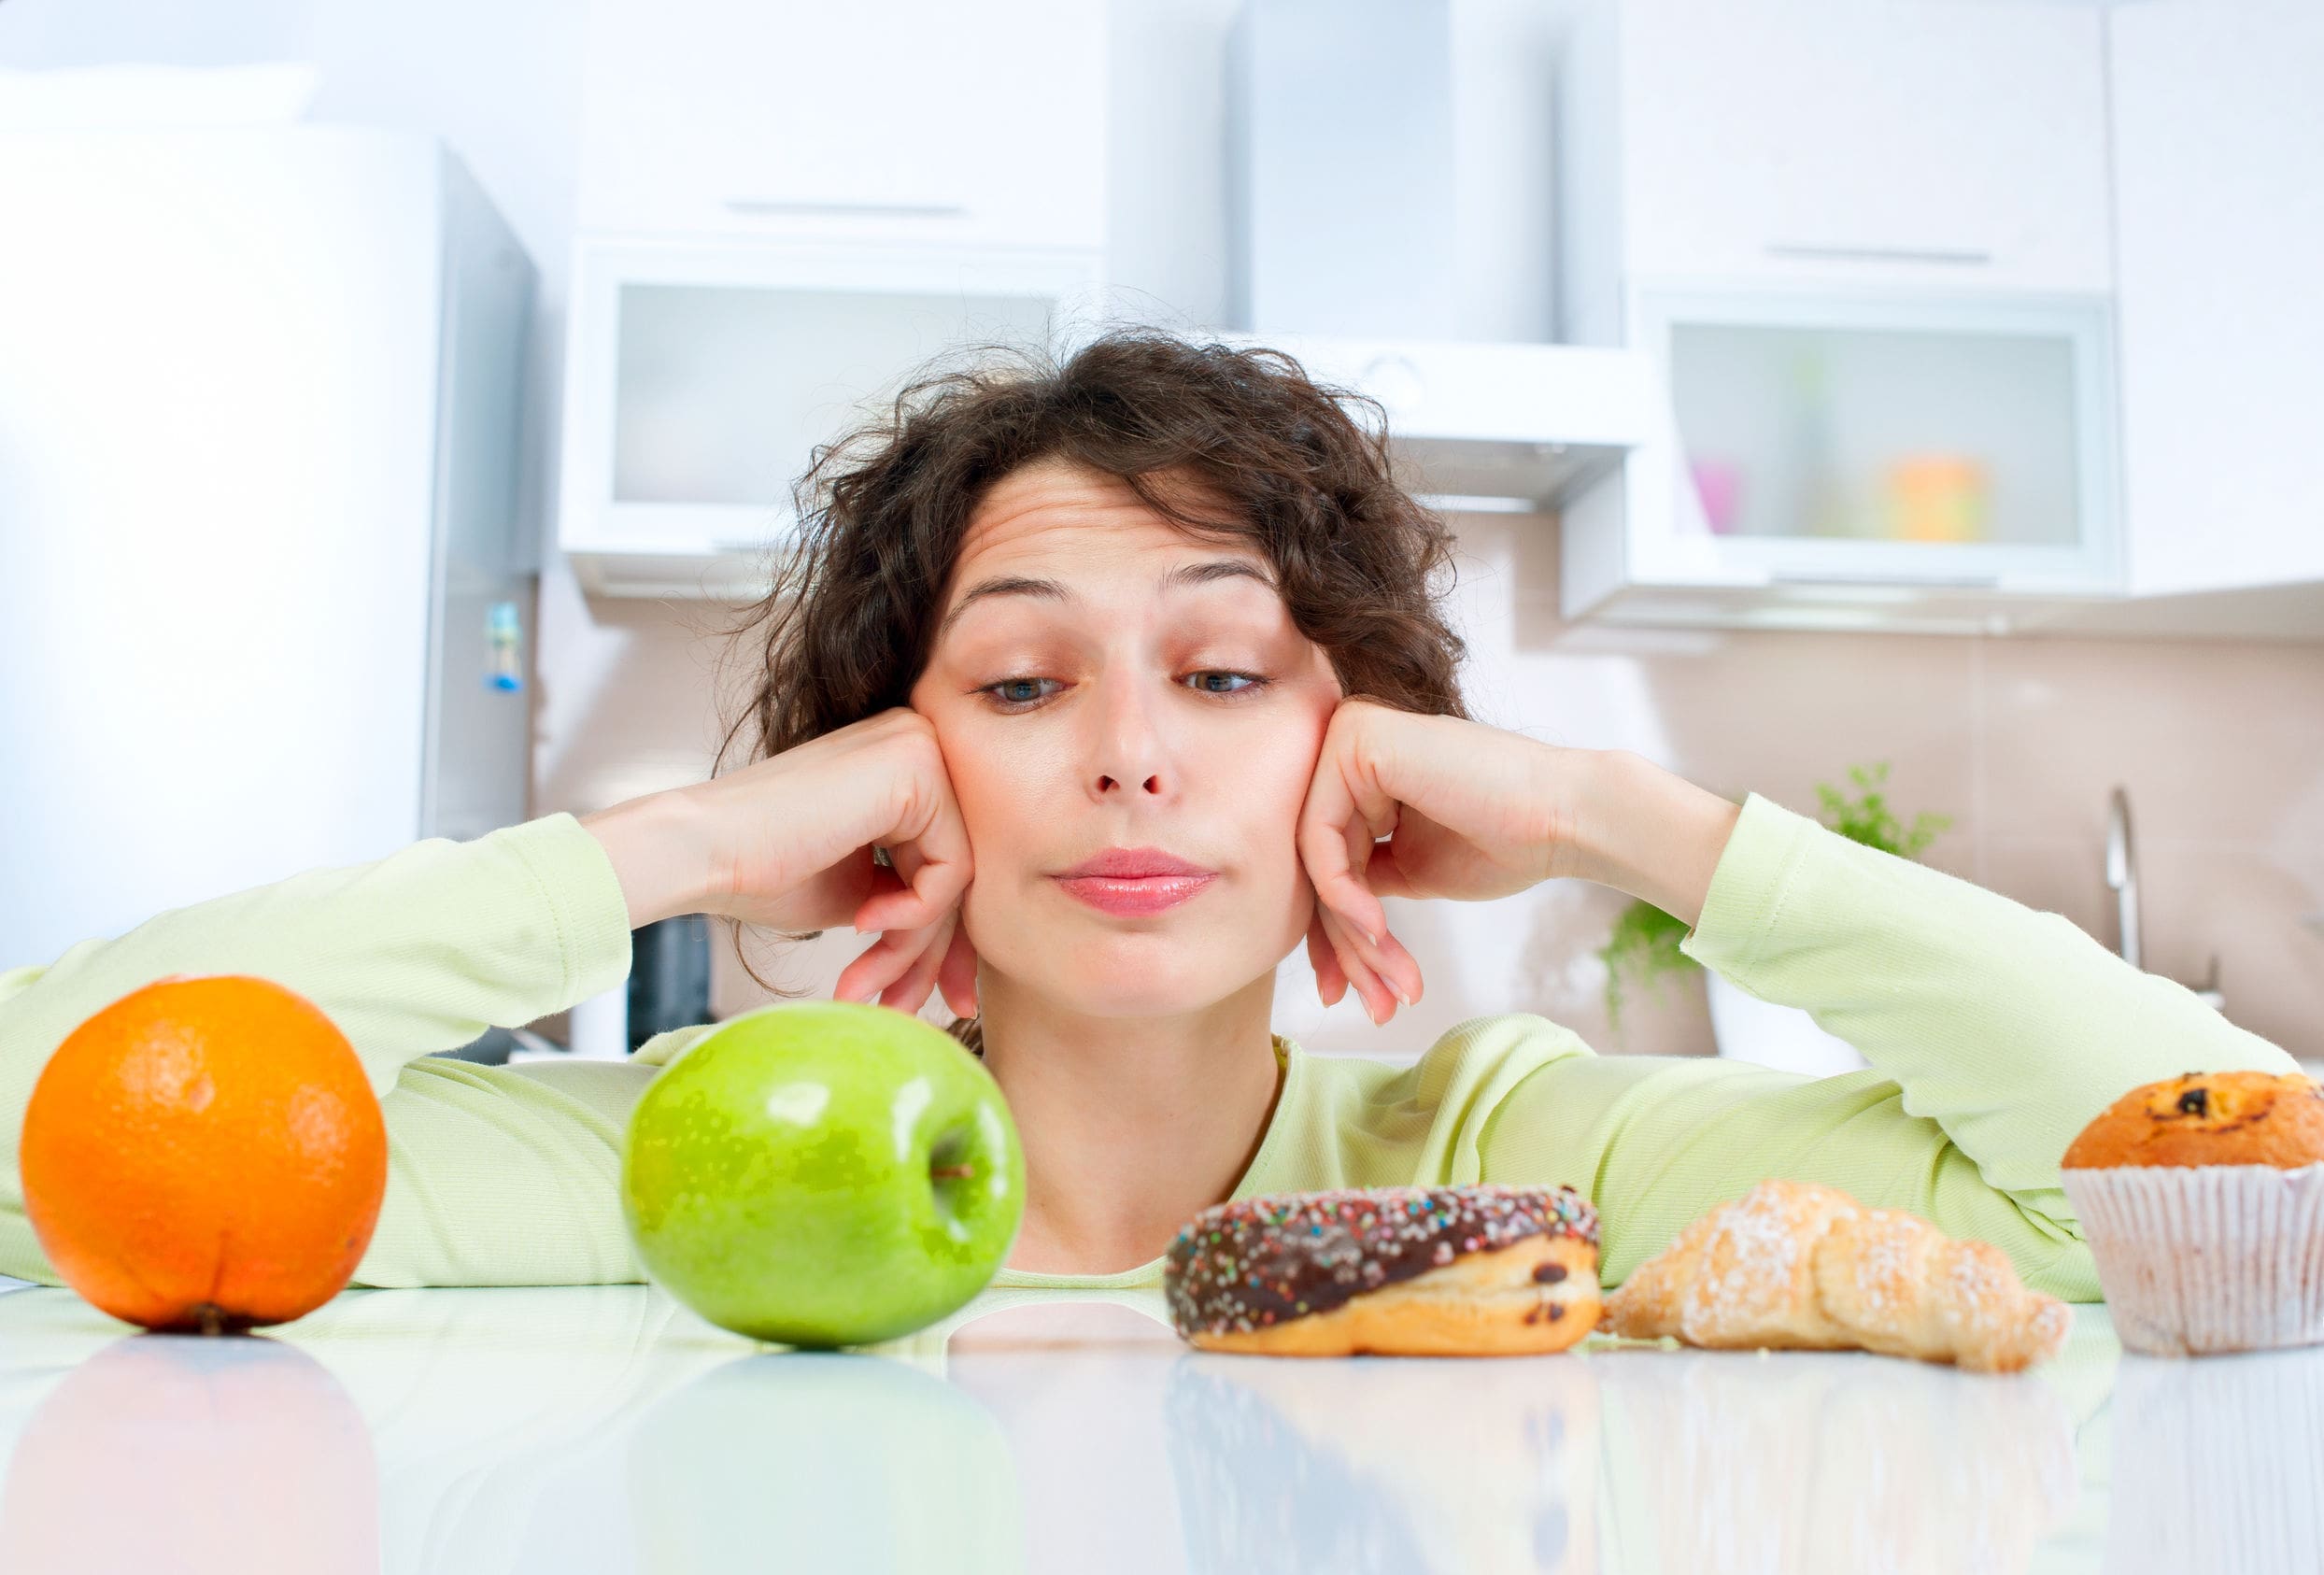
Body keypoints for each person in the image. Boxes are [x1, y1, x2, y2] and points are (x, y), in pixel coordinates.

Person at [0, 333, 2298, 1298]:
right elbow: (51, 1150)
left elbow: (2230, 1198)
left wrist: (1621, 816)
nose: (1124, 753)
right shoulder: (683, 1175)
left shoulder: (1520, 1159)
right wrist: (672, 849)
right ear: (890, 776)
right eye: (1015, 685)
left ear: (1360, 769)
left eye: (1223, 678)